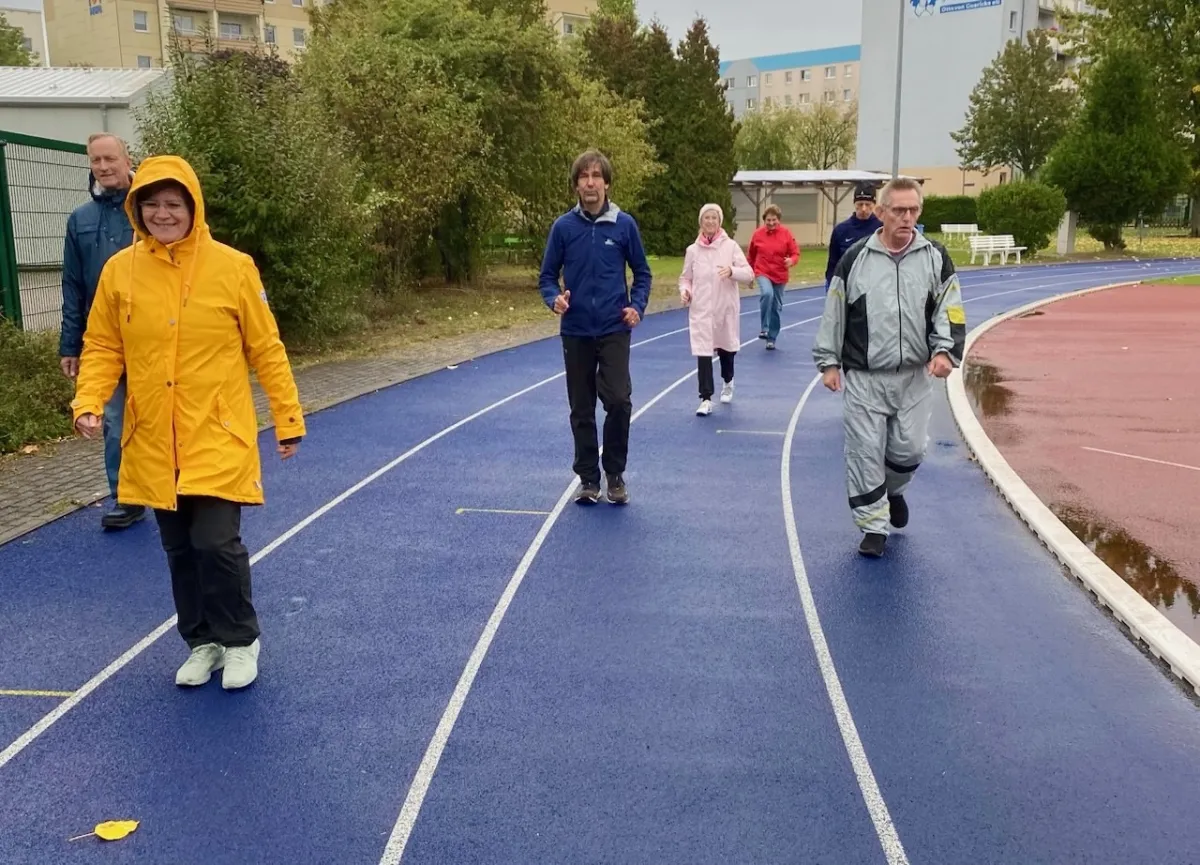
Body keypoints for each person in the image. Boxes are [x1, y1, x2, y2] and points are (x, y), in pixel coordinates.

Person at [71, 155, 305, 690]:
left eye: (172, 204)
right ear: (136, 209)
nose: (162, 213)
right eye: (151, 204)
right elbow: (104, 344)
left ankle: (240, 640)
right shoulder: (120, 272)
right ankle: (202, 641)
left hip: (217, 433)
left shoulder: (232, 267)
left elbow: (265, 347)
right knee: (178, 548)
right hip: (154, 437)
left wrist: (287, 417)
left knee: (216, 543)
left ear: (192, 207)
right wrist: (89, 400)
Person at [812, 176, 965, 558]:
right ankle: (873, 528)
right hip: (865, 377)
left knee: (910, 450)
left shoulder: (935, 258)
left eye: (913, 210)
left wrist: (945, 351)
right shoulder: (855, 259)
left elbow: (951, 308)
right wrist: (829, 362)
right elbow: (834, 313)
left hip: (914, 377)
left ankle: (893, 490)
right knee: (864, 453)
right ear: (881, 212)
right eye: (899, 210)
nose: (907, 218)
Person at [538, 149, 652, 506]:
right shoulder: (563, 228)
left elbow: (643, 273)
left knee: (618, 400)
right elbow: (546, 277)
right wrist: (554, 298)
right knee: (582, 408)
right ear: (576, 186)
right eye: (583, 177)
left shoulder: (624, 225)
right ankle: (589, 478)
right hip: (576, 330)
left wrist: (636, 306)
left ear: (606, 183)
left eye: (596, 176)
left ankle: (614, 473)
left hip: (613, 326)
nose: (590, 182)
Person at [59, 133, 141, 530]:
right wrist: (69, 344)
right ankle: (126, 498)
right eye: (96, 161)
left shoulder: (147, 211)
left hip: (151, 335)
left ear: (128, 161)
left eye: (110, 158)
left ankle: (175, 488)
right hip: (104, 340)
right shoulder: (80, 220)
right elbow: (72, 286)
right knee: (115, 422)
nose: (104, 167)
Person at [678, 203, 753, 416]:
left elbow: (748, 274)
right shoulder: (693, 251)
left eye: (714, 218)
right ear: (701, 222)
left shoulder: (730, 247)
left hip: (724, 308)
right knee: (703, 351)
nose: (710, 222)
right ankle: (705, 398)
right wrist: (686, 291)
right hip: (701, 309)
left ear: (719, 222)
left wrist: (732, 271)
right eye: (706, 218)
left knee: (726, 349)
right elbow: (686, 278)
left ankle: (728, 381)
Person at [747, 204, 799, 351]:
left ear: (778, 220)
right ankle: (764, 328)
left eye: (774, 220)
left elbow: (795, 253)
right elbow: (751, 256)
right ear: (764, 220)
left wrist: (791, 260)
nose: (771, 223)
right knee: (766, 293)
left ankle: (772, 337)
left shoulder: (786, 234)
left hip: (780, 274)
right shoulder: (758, 235)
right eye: (768, 220)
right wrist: (749, 275)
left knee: (776, 307)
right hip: (762, 271)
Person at [824, 185, 883, 289]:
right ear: (854, 204)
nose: (863, 209)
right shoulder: (840, 230)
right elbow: (833, 264)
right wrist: (831, 287)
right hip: (846, 286)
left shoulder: (882, 228)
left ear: (874, 205)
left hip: (875, 288)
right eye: (860, 204)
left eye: (868, 204)